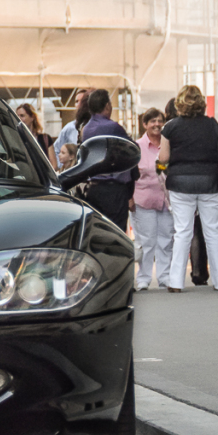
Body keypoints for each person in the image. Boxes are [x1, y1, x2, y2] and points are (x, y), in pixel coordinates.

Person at [158, 85, 218, 291]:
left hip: (180, 183)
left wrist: (161, 171)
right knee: (214, 231)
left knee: (182, 232)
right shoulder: (212, 125)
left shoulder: (170, 127)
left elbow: (163, 158)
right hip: (210, 182)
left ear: (179, 103)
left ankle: (175, 282)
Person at [79, 89, 134, 231]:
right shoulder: (113, 127)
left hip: (94, 187)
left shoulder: (86, 129)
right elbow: (131, 149)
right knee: (117, 232)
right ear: (107, 106)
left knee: (99, 231)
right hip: (113, 188)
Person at [131, 108, 172, 290]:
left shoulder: (168, 144)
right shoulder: (136, 147)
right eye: (152, 121)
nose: (157, 124)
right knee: (146, 241)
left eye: (159, 121)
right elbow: (130, 175)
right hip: (143, 199)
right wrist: (129, 198)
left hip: (166, 199)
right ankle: (144, 278)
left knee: (166, 239)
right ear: (144, 124)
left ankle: (164, 276)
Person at [15, 102, 58, 169]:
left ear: (32, 117)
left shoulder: (45, 139)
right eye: (17, 116)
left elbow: (54, 165)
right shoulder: (15, 138)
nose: (19, 119)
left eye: (22, 116)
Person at [53, 90, 88, 158]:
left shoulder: (96, 127)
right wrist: (64, 167)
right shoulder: (69, 128)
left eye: (82, 101)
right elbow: (56, 150)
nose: (79, 104)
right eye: (76, 101)